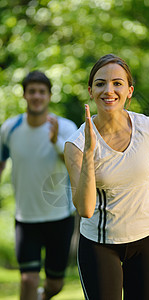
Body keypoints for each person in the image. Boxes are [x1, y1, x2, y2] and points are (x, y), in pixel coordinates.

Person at [64, 54, 149, 300]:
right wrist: (91, 153)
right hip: (100, 244)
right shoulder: (76, 145)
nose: (108, 90)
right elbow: (85, 208)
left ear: (129, 91)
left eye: (117, 83)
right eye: (100, 84)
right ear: (91, 91)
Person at [0, 71, 77, 300]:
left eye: (41, 92)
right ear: (24, 95)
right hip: (26, 218)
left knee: (55, 285)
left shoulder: (65, 127)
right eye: (32, 91)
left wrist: (55, 143)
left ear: (49, 96)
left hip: (60, 217)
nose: (36, 96)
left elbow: (75, 164)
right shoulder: (9, 129)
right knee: (28, 279)